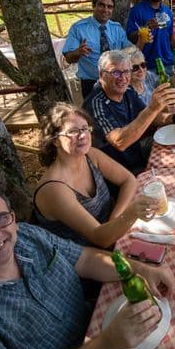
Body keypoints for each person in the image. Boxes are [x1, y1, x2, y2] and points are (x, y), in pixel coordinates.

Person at [0, 182, 175, 349]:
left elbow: (85, 259)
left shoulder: (26, 235)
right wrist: (108, 344)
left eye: (1, 218)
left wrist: (140, 269)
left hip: (102, 328)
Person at [34, 103, 157, 249]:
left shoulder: (90, 155)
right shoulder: (54, 189)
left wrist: (115, 220)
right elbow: (101, 239)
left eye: (85, 128)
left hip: (116, 231)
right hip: (89, 257)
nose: (83, 135)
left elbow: (128, 180)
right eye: (73, 131)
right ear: (55, 140)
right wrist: (130, 214)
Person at [84, 50, 175, 174]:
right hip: (120, 172)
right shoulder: (96, 104)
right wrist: (153, 108)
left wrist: (173, 118)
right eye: (115, 72)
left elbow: (148, 118)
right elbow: (120, 142)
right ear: (101, 75)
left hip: (137, 154)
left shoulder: (128, 91)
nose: (123, 78)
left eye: (126, 71)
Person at [62, 0, 147, 98]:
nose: (105, 9)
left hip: (117, 81)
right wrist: (78, 52)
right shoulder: (78, 28)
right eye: (101, 5)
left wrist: (141, 41)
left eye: (109, 7)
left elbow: (131, 53)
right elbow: (69, 58)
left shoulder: (117, 28)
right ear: (94, 5)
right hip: (91, 84)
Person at [126, 0, 175, 75]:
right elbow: (130, 38)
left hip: (168, 64)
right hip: (147, 67)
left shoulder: (168, 12)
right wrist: (145, 28)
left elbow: (172, 38)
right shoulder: (137, 10)